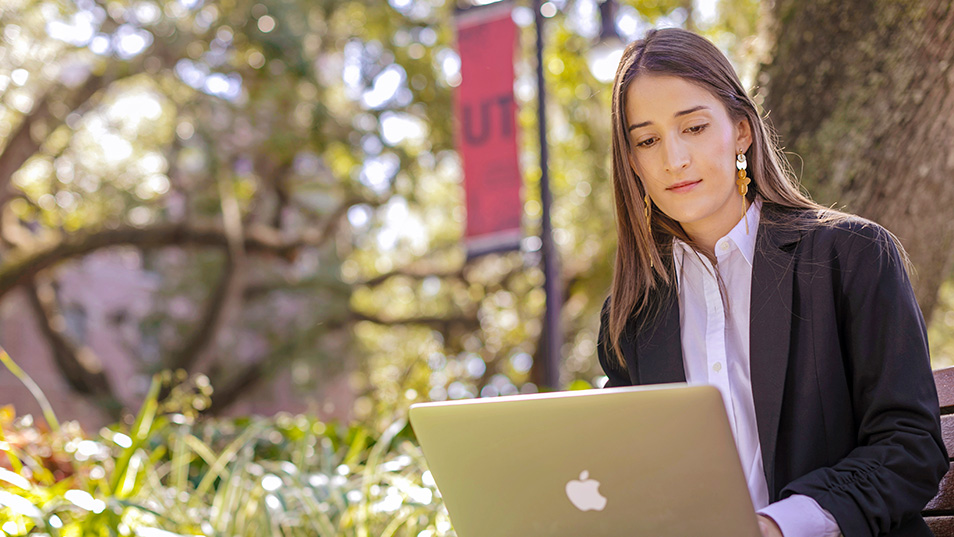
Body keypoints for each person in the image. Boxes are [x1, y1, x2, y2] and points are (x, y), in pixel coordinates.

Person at [596, 28, 948, 537]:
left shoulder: (853, 256)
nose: (673, 159)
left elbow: (910, 448)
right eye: (647, 140)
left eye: (693, 127)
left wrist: (776, 526)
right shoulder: (632, 314)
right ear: (632, 163)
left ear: (741, 131)